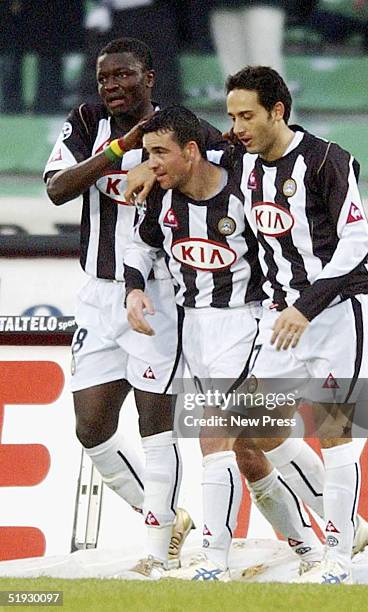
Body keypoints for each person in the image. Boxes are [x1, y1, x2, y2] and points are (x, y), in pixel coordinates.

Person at [124, 105, 324, 580]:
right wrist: (134, 287)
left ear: (191, 151)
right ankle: (319, 545)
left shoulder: (243, 186)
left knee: (212, 435)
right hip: (194, 327)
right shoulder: (162, 196)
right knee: (253, 449)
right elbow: (141, 244)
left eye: (159, 153)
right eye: (147, 154)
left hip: (247, 323)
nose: (151, 164)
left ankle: (212, 562)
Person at [43, 37, 223, 567]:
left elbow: (224, 167)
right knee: (91, 428)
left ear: (149, 78)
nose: (112, 87)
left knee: (155, 424)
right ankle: (165, 514)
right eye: (104, 78)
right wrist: (121, 152)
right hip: (98, 293)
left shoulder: (180, 127)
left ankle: (159, 544)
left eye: (124, 76)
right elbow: (56, 189)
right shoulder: (86, 122)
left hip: (157, 292)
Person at [225, 65, 368, 584]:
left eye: (247, 115)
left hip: (336, 314)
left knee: (335, 434)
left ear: (278, 111)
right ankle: (349, 526)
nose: (237, 126)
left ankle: (336, 561)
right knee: (252, 432)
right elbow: (190, 142)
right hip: (281, 319)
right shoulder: (246, 163)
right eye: (231, 116)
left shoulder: (327, 160)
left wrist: (307, 305)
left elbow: (356, 242)